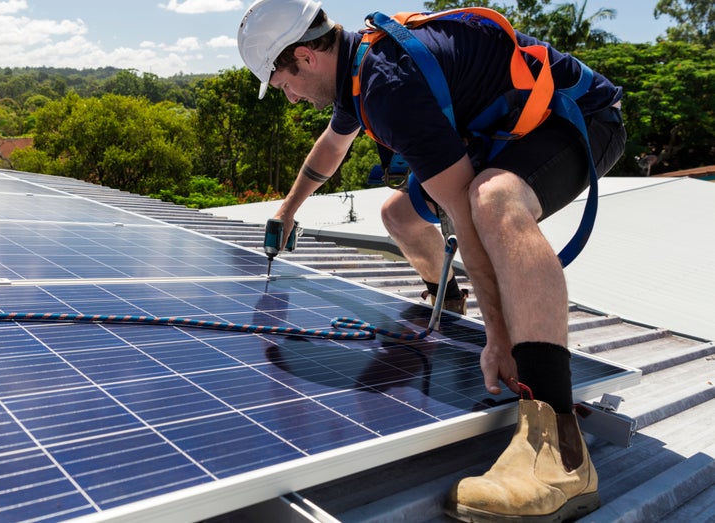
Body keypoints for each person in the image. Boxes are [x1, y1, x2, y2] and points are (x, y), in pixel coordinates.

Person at [237, 1, 626, 522]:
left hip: (578, 122)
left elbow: (463, 216)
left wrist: (501, 338)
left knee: (492, 200)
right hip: (506, 132)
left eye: (284, 83)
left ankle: (558, 450)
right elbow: (331, 148)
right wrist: (287, 212)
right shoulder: (357, 68)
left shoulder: (388, 85)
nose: (289, 95)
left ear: (305, 58)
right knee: (399, 213)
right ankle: (447, 301)